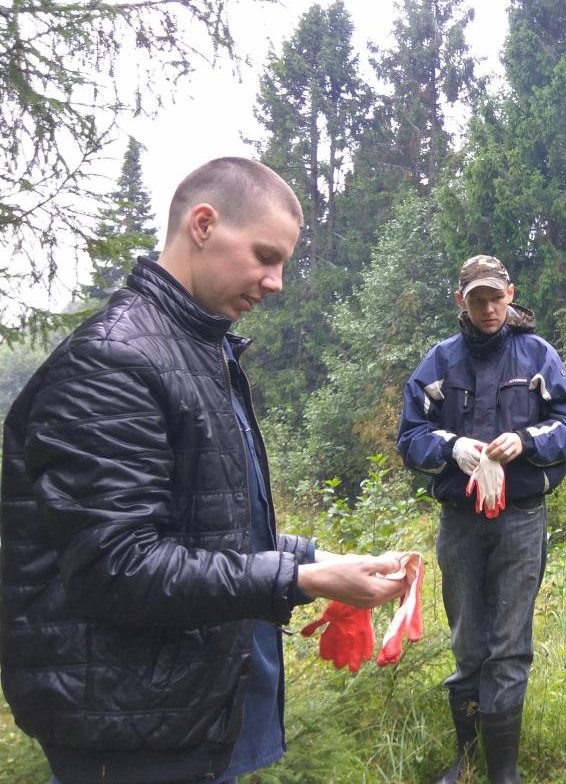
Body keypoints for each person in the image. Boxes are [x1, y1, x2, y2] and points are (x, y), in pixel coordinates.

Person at [0, 157, 412, 784]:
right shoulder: (116, 362)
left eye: (283, 265)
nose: (275, 283)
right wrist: (300, 580)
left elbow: (207, 526)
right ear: (202, 224)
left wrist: (320, 560)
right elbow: (119, 568)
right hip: (127, 733)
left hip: (175, 715)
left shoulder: (196, 351)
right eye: (265, 256)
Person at [397, 255, 566, 784]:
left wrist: (525, 441)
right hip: (459, 519)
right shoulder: (439, 363)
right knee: (467, 639)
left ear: (510, 294)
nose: (487, 307)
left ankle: (502, 768)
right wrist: (452, 447)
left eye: (495, 297)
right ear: (461, 300)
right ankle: (466, 759)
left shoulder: (538, 356)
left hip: (521, 518)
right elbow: (410, 438)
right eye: (477, 298)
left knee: (508, 641)